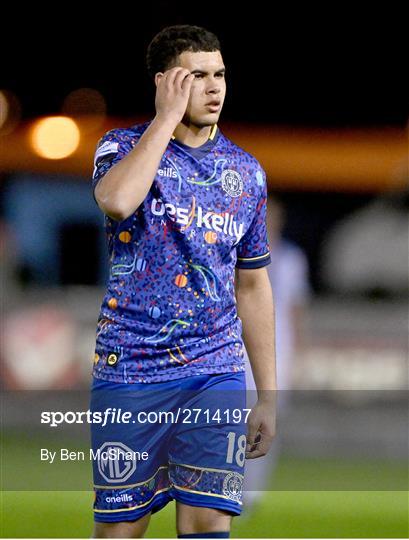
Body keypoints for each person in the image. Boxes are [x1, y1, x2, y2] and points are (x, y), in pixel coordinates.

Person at [90, 25, 276, 539]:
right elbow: (118, 200)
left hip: (215, 369)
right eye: (197, 76)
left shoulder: (247, 173)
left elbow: (254, 286)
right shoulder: (121, 146)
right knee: (121, 528)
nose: (215, 87)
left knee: (207, 523)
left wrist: (268, 394)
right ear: (166, 82)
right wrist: (166, 118)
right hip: (130, 366)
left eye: (220, 75)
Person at [243, 196, 310, 509]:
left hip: (278, 350)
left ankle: (254, 489)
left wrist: (298, 354)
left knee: (269, 421)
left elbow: (296, 310)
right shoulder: (240, 253)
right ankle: (228, 483)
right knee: (235, 417)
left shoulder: (292, 259)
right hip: (242, 350)